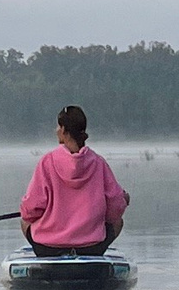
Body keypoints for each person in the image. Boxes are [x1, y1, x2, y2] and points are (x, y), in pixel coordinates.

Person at [19, 105, 128, 259]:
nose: (56, 130)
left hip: (48, 247)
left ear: (64, 130)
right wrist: (123, 200)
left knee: (24, 222)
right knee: (118, 222)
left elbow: (31, 209)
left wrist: (30, 213)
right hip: (92, 247)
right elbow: (115, 208)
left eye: (58, 126)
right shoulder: (99, 162)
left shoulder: (46, 162)